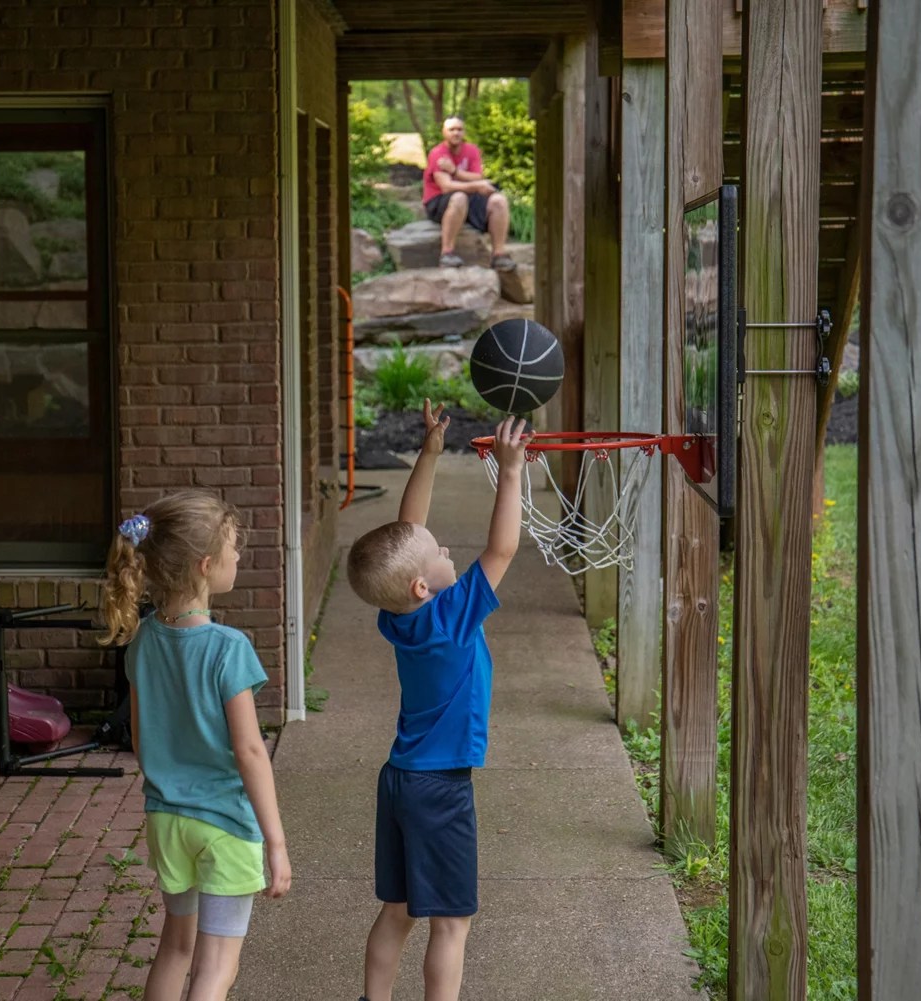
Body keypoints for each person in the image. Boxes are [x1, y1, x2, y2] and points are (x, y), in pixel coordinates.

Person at [345, 401, 527, 1001]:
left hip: (399, 781)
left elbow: (406, 529)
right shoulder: (452, 617)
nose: (449, 549)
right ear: (425, 585)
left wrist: (429, 451)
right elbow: (501, 551)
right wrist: (511, 470)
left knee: (397, 913)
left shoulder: (398, 616)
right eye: (442, 552)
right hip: (440, 789)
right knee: (452, 922)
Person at [102, 491, 291, 1001]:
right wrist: (275, 841)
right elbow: (251, 752)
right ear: (207, 567)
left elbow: (141, 740)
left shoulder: (142, 641)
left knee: (175, 948)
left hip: (166, 820)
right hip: (225, 826)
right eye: (233, 551)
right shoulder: (229, 649)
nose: (238, 559)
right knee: (215, 968)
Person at [421, 117, 516, 272]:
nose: (456, 133)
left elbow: (478, 176)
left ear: (464, 132)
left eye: (459, 129)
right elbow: (446, 187)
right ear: (444, 132)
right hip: (438, 200)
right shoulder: (438, 153)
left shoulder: (471, 150)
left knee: (499, 200)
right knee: (459, 197)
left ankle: (499, 255)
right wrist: (477, 186)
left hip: (466, 196)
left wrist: (454, 171)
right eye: (452, 129)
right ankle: (447, 253)